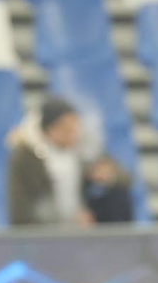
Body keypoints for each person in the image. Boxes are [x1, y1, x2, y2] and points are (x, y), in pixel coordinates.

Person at [8, 96, 96, 226]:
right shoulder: (26, 156)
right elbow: (19, 204)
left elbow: (118, 174)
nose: (72, 133)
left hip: (78, 228)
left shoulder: (82, 150)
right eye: (65, 128)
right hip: (43, 231)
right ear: (50, 128)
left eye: (74, 126)